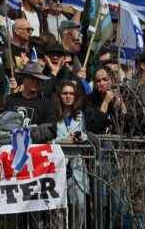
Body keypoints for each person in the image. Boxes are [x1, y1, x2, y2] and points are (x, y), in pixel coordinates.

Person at [53, 81, 89, 229]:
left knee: (80, 204)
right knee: (59, 207)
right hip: (58, 165)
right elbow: (48, 140)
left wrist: (82, 137)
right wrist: (63, 141)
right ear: (60, 96)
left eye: (71, 94)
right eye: (65, 93)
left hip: (76, 167)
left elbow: (85, 134)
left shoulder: (80, 115)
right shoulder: (53, 115)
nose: (68, 96)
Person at [0, 61, 56, 143]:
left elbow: (51, 129)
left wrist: (31, 136)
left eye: (38, 79)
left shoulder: (46, 103)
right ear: (23, 79)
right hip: (10, 148)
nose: (35, 82)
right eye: (32, 78)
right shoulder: (10, 100)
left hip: (34, 150)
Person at [85, 66, 126, 134]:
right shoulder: (89, 100)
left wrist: (121, 104)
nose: (101, 83)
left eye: (105, 79)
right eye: (98, 81)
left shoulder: (123, 95)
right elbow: (96, 126)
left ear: (112, 80)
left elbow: (129, 122)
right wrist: (106, 101)